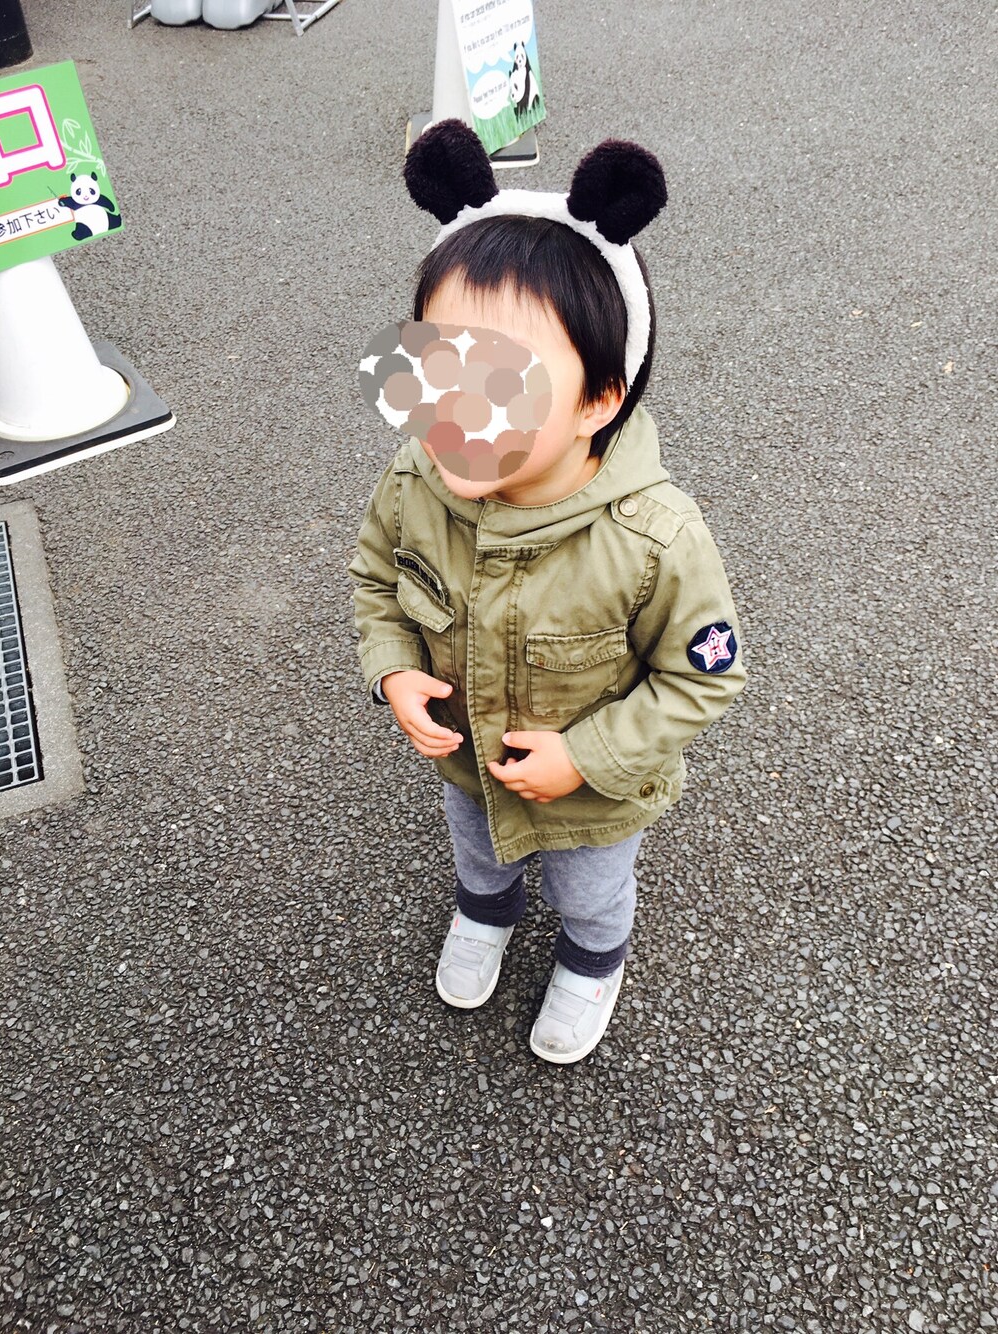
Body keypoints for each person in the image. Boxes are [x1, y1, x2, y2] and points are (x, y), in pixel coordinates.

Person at [347, 120, 746, 1064]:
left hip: (595, 797)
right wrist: (393, 670)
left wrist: (587, 754)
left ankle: (591, 960)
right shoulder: (414, 483)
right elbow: (377, 581)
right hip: (467, 762)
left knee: (591, 892)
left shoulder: (655, 538)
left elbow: (704, 677)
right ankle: (484, 912)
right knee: (477, 851)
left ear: (599, 400)